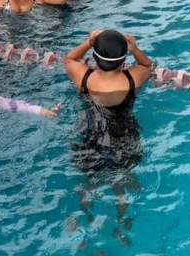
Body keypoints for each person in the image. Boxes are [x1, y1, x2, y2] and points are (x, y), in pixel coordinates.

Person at [63, 30, 153, 245]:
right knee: (120, 182)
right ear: (123, 60)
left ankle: (87, 225)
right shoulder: (133, 78)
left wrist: (88, 41)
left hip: (91, 137)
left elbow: (69, 58)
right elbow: (148, 65)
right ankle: (121, 226)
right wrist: (134, 49)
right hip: (125, 138)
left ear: (95, 57)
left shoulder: (82, 75)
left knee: (89, 183)